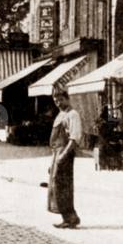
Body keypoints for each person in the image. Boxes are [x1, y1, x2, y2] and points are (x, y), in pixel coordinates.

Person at [48, 88, 82, 228]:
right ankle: (67, 216)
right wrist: (53, 160)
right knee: (56, 185)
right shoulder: (60, 115)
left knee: (64, 185)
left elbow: (74, 139)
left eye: (60, 99)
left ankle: (70, 217)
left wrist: (63, 155)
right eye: (55, 100)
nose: (58, 103)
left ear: (67, 98)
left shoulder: (72, 115)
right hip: (57, 153)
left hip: (65, 153)